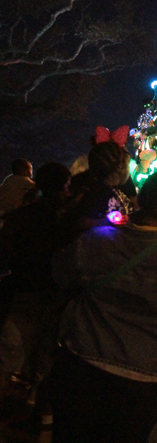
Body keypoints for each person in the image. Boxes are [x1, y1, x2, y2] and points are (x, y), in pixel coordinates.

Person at [49, 172, 157, 443]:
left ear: (140, 199)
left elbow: (60, 274)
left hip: (85, 360)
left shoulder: (97, 241)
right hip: (150, 376)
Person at [0, 162, 71, 406]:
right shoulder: (69, 220)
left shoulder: (20, 216)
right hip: (56, 294)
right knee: (48, 352)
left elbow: (5, 253)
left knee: (12, 352)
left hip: (22, 290)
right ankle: (40, 407)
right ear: (65, 186)